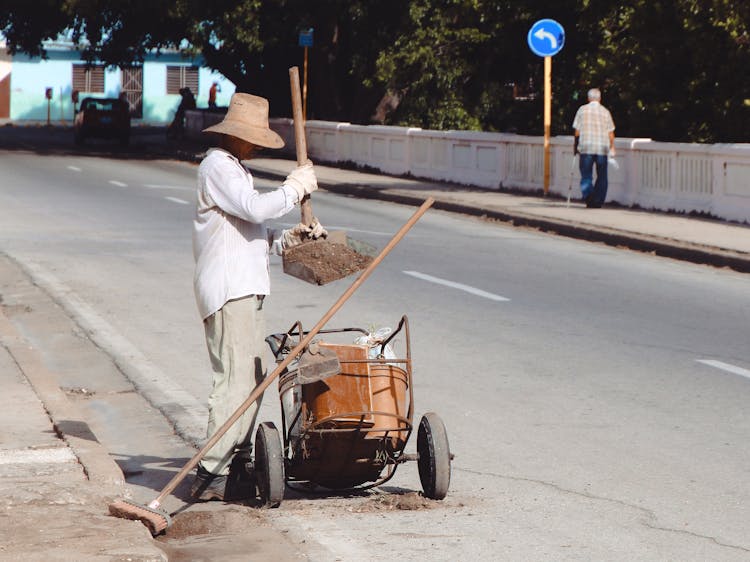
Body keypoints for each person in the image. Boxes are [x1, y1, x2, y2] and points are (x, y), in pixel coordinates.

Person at [190, 92, 326, 500]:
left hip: (247, 289)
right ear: (238, 136)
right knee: (235, 383)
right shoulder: (217, 166)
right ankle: (209, 474)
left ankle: (237, 464)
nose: (253, 145)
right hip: (230, 292)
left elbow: (251, 234)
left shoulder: (235, 168)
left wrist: (290, 238)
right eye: (251, 139)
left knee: (251, 381)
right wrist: (293, 188)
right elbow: (255, 209)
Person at [572, 88, 616, 208]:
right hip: (602, 148)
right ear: (600, 99)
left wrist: (575, 146)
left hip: (586, 147)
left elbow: (577, 131)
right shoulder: (605, 112)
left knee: (586, 175)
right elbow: (611, 133)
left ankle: (589, 196)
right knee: (602, 175)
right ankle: (598, 200)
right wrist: (612, 147)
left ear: (588, 98)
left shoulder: (582, 110)